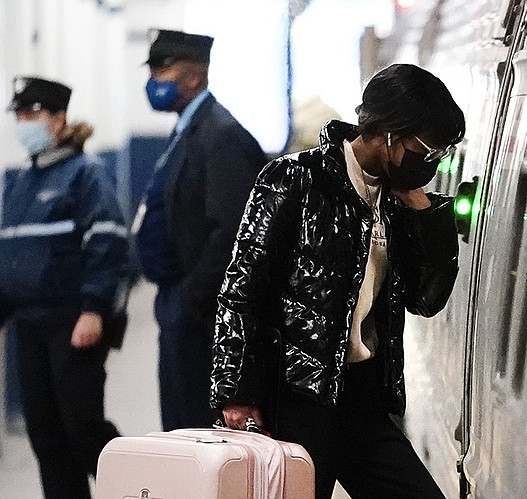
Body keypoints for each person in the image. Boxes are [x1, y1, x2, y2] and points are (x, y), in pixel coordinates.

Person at [211, 63, 465, 498]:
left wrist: (426, 217)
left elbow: (426, 299)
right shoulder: (294, 180)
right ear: (387, 133)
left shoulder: (397, 200)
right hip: (295, 399)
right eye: (426, 148)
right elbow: (241, 291)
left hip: (362, 401)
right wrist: (235, 392)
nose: (431, 162)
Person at [0, 76, 128, 499]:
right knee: (45, 433)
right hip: (30, 326)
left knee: (83, 427)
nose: (24, 123)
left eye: (32, 114)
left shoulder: (85, 174)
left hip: (72, 323)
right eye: (20, 115)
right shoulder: (19, 181)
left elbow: (107, 241)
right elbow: (12, 255)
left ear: (58, 119)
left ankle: (136, 486)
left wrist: (95, 309)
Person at [135, 28, 266, 431]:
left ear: (193, 76)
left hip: (203, 316)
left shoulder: (221, 136)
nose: (154, 82)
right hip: (181, 305)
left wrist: (191, 301)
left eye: (163, 70)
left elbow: (233, 232)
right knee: (179, 431)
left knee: (198, 434)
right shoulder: (187, 131)